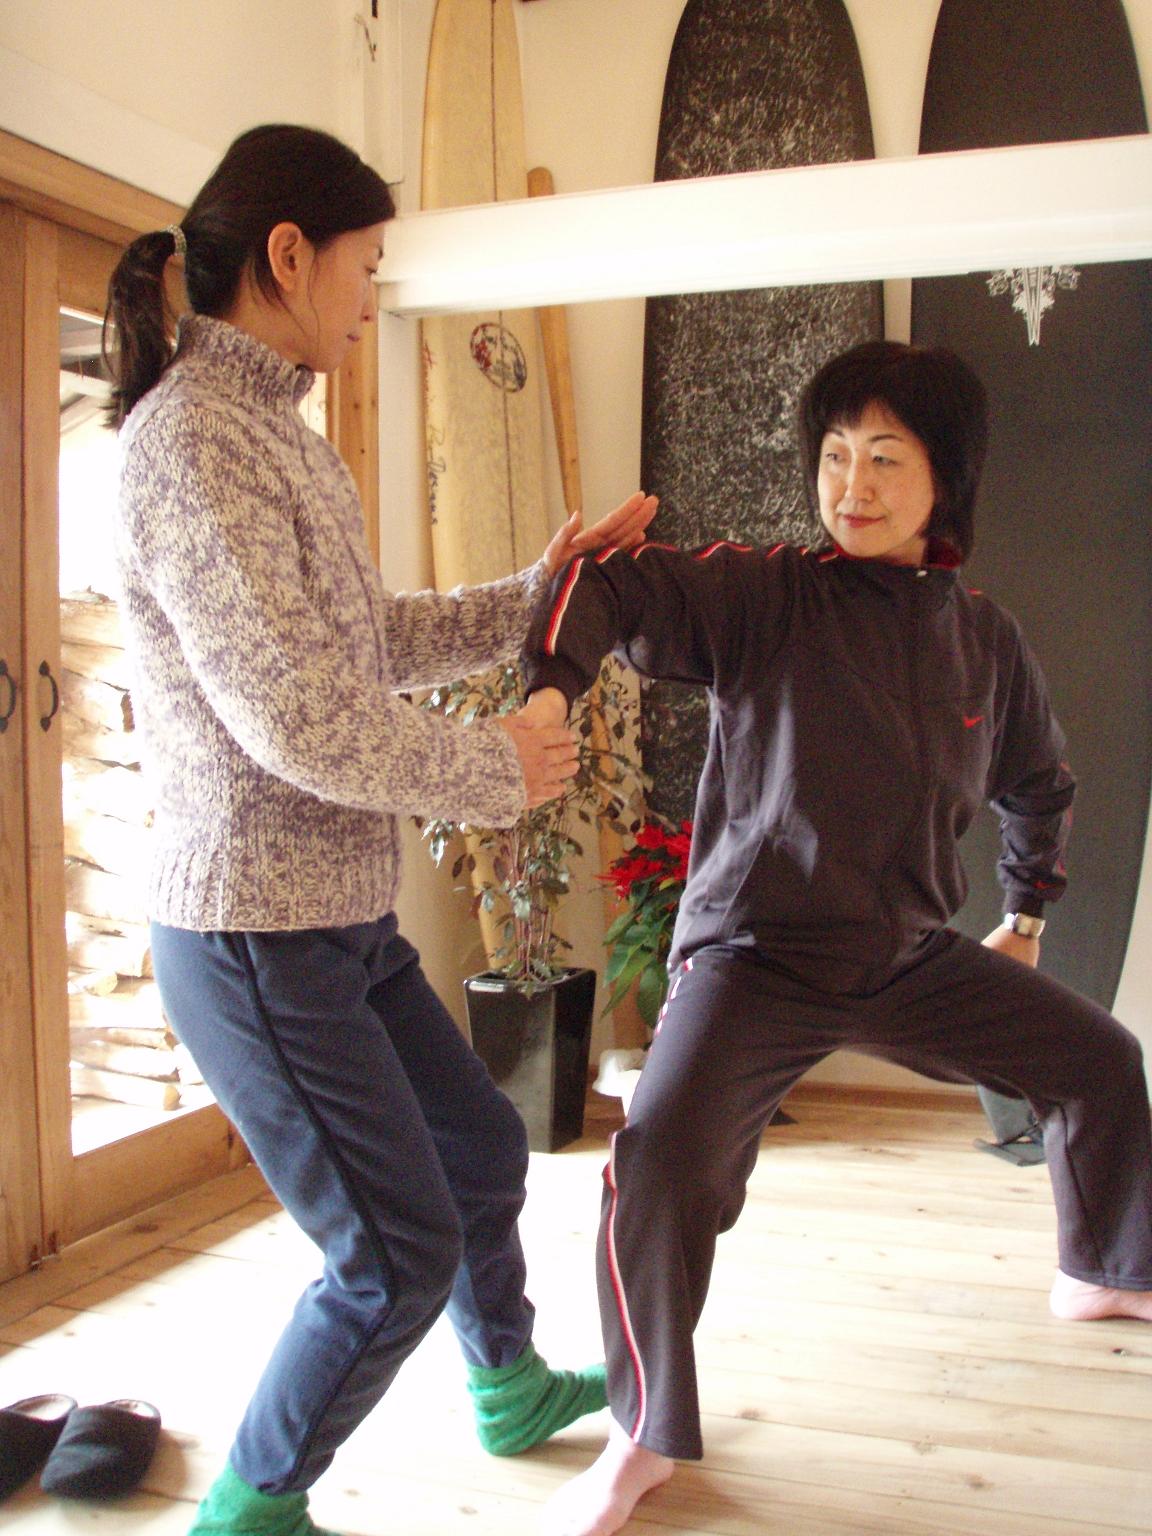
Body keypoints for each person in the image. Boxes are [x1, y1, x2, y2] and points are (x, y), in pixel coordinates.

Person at [102, 123, 657, 1536]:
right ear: (289, 256)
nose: (372, 295)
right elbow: (295, 715)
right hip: (255, 934)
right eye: (365, 264)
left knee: (477, 1152)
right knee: (392, 1253)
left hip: (337, 920)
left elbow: (369, 643)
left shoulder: (279, 439)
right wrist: (496, 766)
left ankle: (505, 1384)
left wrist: (537, 590)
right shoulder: (190, 445)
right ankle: (250, 1506)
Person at [519, 340, 1152, 1536]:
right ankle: (641, 1437)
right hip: (754, 958)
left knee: (1102, 1061)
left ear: (945, 480)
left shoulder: (984, 637)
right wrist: (551, 685)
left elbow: (1039, 782)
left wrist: (1024, 914)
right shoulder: (767, 593)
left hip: (904, 955)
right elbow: (609, 586)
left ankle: (1105, 1271)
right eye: (834, 456)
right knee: (660, 1169)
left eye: (885, 459)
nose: (851, 486)